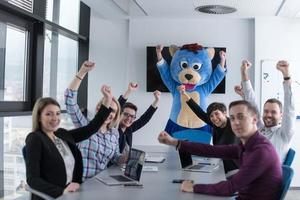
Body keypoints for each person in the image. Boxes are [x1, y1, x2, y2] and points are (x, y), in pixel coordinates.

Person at [158, 100, 282, 199]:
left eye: (241, 117)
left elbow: (230, 188)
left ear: (254, 119)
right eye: (232, 118)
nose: (236, 123)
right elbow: (212, 151)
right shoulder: (247, 145)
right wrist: (174, 142)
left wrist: (194, 187)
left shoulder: (261, 151)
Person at [26, 85, 114, 199]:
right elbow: (32, 179)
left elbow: (91, 128)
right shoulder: (35, 138)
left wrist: (108, 99)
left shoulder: (61, 134)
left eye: (58, 113)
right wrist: (62, 191)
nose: (55, 118)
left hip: (73, 192)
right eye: (49, 114)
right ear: (38, 117)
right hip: (54, 196)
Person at [64, 61, 126, 180]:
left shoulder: (114, 134)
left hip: (102, 183)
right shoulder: (85, 124)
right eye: (107, 108)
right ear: (99, 108)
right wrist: (82, 72)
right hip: (82, 183)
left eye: (113, 111)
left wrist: (126, 158)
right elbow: (69, 100)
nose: (109, 113)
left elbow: (115, 157)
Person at [234, 60, 295, 162]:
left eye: (273, 112)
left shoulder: (284, 133)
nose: (268, 115)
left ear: (281, 115)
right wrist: (244, 72)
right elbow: (251, 102)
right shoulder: (260, 128)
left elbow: (290, 109)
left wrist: (286, 75)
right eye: (266, 111)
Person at [178, 85, 239, 174]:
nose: (214, 118)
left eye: (217, 114)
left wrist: (194, 149)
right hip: (223, 166)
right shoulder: (216, 124)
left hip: (236, 170)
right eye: (211, 116)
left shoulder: (233, 126)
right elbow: (199, 112)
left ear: (225, 113)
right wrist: (184, 94)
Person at [118, 82, 160, 153]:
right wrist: (129, 90)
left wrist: (156, 100)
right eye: (126, 114)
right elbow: (117, 107)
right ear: (119, 114)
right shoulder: (113, 129)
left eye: (132, 116)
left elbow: (144, 119)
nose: (129, 118)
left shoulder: (129, 129)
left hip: (126, 163)